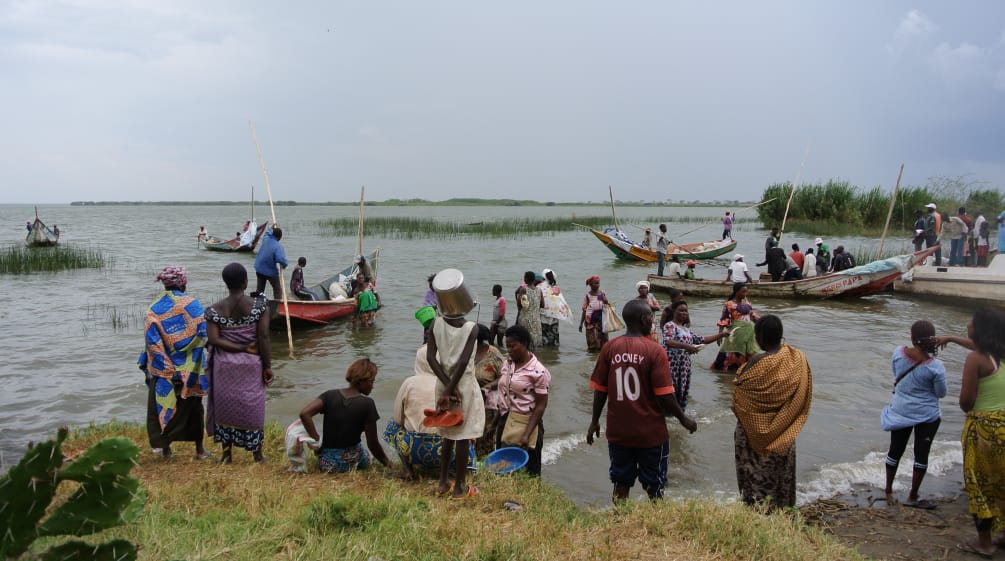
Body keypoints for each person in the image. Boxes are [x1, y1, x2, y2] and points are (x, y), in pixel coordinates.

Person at [586, 300, 697, 503]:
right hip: (650, 433)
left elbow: (600, 390)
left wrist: (594, 421)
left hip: (619, 432)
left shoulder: (609, 348)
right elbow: (664, 395)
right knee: (654, 485)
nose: (653, 322)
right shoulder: (655, 351)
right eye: (651, 318)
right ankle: (656, 523)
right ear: (644, 319)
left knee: (620, 482)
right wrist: (683, 418)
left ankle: (619, 520)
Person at [935, 309, 1005, 557]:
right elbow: (977, 346)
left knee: (979, 484)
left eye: (971, 322)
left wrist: (968, 402)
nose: (967, 324)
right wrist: (952, 338)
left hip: (983, 428)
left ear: (980, 329)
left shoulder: (976, 359)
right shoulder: (999, 354)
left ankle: (984, 543)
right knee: (1002, 481)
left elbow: (966, 401)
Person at [732, 315, 812, 511]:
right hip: (784, 434)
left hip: (751, 437)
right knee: (781, 479)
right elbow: (802, 395)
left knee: (753, 481)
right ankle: (783, 515)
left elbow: (738, 401)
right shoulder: (797, 359)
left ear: (759, 337)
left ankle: (755, 515)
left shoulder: (754, 364)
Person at [138, 266, 209, 460]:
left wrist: (165, 369)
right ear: (183, 283)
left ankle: (165, 450)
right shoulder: (193, 305)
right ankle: (199, 450)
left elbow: (152, 343)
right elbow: (204, 334)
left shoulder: (154, 308)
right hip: (190, 369)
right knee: (194, 409)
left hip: (163, 370)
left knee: (161, 408)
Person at [205, 262, 273, 464]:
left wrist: (238, 347)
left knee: (225, 404)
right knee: (253, 405)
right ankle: (257, 455)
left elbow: (214, 340)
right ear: (245, 281)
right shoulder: (259, 307)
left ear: (226, 283)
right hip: (251, 364)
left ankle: (226, 455)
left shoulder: (213, 310)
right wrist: (267, 366)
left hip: (223, 365)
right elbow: (264, 337)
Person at [880, 320, 947, 509]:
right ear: (933, 340)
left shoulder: (898, 353)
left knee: (895, 450)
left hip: (901, 410)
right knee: (921, 455)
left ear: (911, 337)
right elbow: (941, 393)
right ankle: (912, 495)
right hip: (927, 415)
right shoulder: (936, 367)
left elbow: (896, 375)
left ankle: (888, 490)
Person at [384, 345, 477, 479]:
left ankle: (408, 470)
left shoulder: (409, 383)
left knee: (393, 427)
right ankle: (458, 470)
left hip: (414, 449)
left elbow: (398, 419)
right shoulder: (452, 385)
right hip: (449, 450)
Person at [426, 286, 484, 499]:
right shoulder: (472, 328)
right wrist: (453, 389)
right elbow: (462, 362)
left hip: (443, 383)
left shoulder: (436, 323)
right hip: (463, 387)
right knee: (463, 434)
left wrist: (445, 388)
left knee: (448, 433)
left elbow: (431, 359)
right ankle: (459, 487)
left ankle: (443, 481)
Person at [299, 357, 391, 473]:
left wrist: (317, 440)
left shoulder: (329, 395)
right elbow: (372, 444)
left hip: (327, 464)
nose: (372, 386)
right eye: (371, 381)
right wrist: (389, 464)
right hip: (351, 462)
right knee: (367, 455)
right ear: (361, 381)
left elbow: (304, 414)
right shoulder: (367, 404)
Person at [496, 325, 551, 476]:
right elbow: (503, 386)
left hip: (527, 423)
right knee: (502, 467)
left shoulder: (538, 371)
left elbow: (541, 405)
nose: (509, 350)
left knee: (529, 472)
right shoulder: (508, 363)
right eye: (507, 346)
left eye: (513, 346)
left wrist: (527, 434)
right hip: (505, 420)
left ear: (525, 344)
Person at [662, 300, 728, 410]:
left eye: (686, 311)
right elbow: (668, 341)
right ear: (674, 311)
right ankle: (668, 415)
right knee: (671, 391)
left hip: (684, 366)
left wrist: (721, 334)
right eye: (681, 311)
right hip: (672, 365)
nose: (684, 313)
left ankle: (678, 417)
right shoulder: (670, 325)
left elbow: (702, 340)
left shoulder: (686, 330)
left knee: (682, 391)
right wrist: (687, 346)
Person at [472, 324, 506, 458]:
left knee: (486, 435)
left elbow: (505, 376)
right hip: (469, 400)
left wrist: (490, 385)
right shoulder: (465, 352)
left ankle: (486, 464)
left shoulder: (493, 353)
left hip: (487, 403)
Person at [711, 282, 760, 372]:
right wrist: (720, 335)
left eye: (746, 292)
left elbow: (753, 315)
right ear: (736, 292)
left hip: (749, 333)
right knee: (732, 351)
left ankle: (744, 371)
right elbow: (724, 319)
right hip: (736, 333)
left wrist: (761, 325)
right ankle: (728, 371)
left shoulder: (747, 303)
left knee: (748, 353)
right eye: (743, 292)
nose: (745, 294)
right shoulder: (729, 304)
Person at [539, 268, 572, 348]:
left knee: (544, 334)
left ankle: (546, 352)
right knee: (554, 333)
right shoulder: (555, 287)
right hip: (554, 315)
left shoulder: (539, 286)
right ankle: (554, 350)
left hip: (543, 315)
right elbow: (560, 301)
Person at [253, 225, 288, 298]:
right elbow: (280, 259)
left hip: (259, 268)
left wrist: (271, 228)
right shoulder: (278, 246)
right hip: (269, 271)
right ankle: (277, 303)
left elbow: (267, 233)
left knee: (259, 290)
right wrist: (285, 264)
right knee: (277, 288)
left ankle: (257, 302)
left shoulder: (266, 239)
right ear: (280, 237)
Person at [515, 270, 544, 350]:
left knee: (524, 340)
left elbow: (519, 304)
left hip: (525, 318)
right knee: (534, 342)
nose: (524, 279)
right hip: (536, 319)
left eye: (524, 277)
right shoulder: (539, 290)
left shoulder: (524, 290)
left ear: (527, 279)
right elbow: (542, 305)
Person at [579, 275, 608, 351]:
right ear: (591, 285)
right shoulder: (587, 296)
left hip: (601, 321)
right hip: (590, 322)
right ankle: (591, 359)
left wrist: (606, 301)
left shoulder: (602, 293)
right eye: (595, 283)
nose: (597, 285)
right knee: (592, 342)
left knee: (603, 342)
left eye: (598, 283)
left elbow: (607, 306)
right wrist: (581, 324)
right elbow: (584, 310)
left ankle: (601, 358)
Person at [421, 274, 438, 343]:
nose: (431, 287)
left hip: (439, 315)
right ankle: (425, 343)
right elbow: (424, 303)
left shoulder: (442, 292)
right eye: (430, 285)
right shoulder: (428, 292)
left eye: (432, 285)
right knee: (427, 331)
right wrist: (430, 307)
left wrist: (437, 307)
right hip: (430, 315)